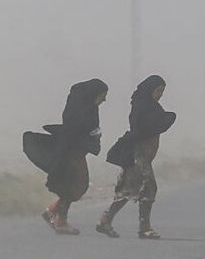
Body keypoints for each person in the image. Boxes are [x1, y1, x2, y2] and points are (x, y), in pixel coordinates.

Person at [97, 75, 175, 239]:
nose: (160, 94)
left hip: (145, 155)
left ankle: (106, 219)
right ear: (149, 90)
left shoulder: (153, 107)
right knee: (149, 186)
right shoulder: (141, 107)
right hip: (138, 154)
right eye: (158, 91)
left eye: (162, 91)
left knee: (128, 189)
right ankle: (144, 226)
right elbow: (141, 128)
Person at [41, 78, 108, 235]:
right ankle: (59, 220)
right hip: (70, 153)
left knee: (76, 185)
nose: (104, 100)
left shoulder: (90, 109)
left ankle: (53, 211)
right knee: (74, 186)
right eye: (102, 95)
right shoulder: (78, 111)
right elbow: (74, 131)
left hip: (78, 153)